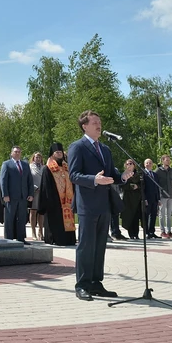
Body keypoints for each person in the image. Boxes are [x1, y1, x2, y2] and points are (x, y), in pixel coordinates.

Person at [67, 110, 134, 301]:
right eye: (95, 122)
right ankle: (82, 284)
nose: (99, 125)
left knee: (99, 246)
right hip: (87, 205)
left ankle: (96, 283)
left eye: (100, 121)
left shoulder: (105, 149)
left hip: (104, 204)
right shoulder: (77, 147)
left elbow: (111, 172)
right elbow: (74, 175)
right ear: (84, 126)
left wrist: (122, 176)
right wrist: (94, 179)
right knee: (86, 246)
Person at [38, 142, 76, 246]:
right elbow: (45, 186)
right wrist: (49, 201)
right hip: (54, 200)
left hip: (68, 201)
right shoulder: (48, 168)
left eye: (60, 152)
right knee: (55, 221)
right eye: (57, 152)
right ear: (52, 154)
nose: (59, 154)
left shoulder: (67, 167)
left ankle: (69, 239)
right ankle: (54, 239)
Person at [0, 146, 33, 243]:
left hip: (23, 196)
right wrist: (5, 194)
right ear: (11, 153)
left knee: (22, 218)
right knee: (10, 218)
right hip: (11, 197)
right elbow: (3, 181)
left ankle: (21, 238)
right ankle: (9, 239)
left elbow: (29, 180)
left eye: (19, 152)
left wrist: (31, 194)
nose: (17, 153)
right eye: (15, 152)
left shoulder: (25, 165)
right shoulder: (6, 164)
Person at [120, 159, 144, 239]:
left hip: (137, 199)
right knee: (129, 216)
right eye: (127, 164)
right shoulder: (124, 174)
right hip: (128, 199)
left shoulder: (139, 174)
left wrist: (138, 186)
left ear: (134, 165)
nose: (129, 165)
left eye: (131, 163)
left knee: (136, 217)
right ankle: (131, 234)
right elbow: (122, 185)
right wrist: (131, 186)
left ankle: (136, 234)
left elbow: (143, 185)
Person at [156, 155, 172, 238]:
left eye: (169, 160)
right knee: (162, 213)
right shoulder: (158, 171)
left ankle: (169, 231)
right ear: (162, 161)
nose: (168, 161)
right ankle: (162, 231)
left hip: (170, 195)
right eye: (167, 160)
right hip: (162, 195)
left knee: (169, 214)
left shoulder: (171, 171)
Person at [142, 158, 161, 238]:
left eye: (150, 163)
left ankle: (152, 232)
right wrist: (144, 199)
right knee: (146, 215)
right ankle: (146, 232)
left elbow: (157, 187)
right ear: (144, 164)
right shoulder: (143, 174)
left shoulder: (155, 175)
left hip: (155, 198)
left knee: (153, 215)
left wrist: (159, 199)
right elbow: (143, 188)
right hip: (147, 198)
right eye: (147, 163)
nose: (148, 164)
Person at [29, 152, 44, 240]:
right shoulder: (30, 167)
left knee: (41, 213)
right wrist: (34, 187)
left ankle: (40, 231)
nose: (38, 158)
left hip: (42, 192)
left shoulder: (44, 167)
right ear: (33, 158)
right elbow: (29, 179)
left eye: (39, 157)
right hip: (34, 191)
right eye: (36, 157)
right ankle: (33, 232)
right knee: (33, 212)